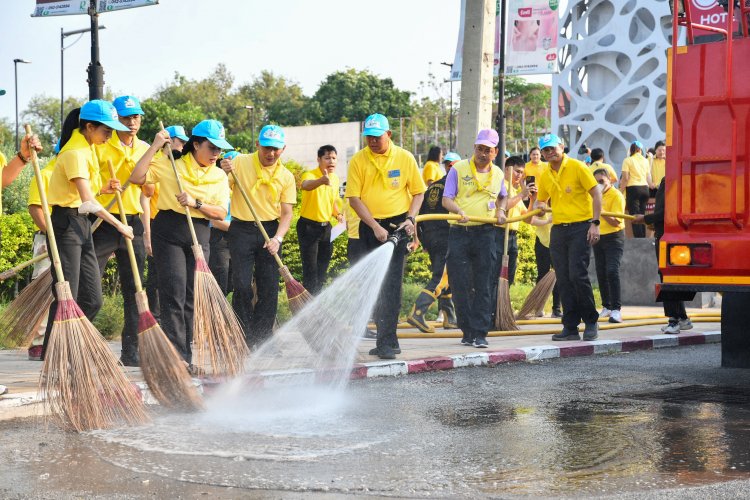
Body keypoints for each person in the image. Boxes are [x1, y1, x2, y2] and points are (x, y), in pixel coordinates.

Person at [130, 119, 231, 368]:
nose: (216, 154)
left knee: (190, 297)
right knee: (173, 293)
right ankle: (176, 357)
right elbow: (136, 177)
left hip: (199, 234)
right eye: (212, 148)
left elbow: (220, 213)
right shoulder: (170, 164)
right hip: (169, 231)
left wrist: (196, 203)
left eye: (219, 149)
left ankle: (187, 356)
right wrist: (154, 147)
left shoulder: (219, 175)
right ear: (196, 145)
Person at [40, 101, 135, 360]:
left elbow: (88, 196)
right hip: (65, 225)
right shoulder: (74, 152)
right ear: (89, 126)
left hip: (80, 225)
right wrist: (118, 225)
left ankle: (68, 345)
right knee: (66, 294)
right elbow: (87, 202)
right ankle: (54, 355)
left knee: (92, 299)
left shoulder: (89, 148)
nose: (109, 136)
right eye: (106, 131)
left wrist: (103, 189)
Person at [345, 113, 426, 359]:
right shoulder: (359, 160)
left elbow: (418, 192)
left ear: (388, 135)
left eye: (377, 137)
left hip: (397, 227)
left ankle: (388, 342)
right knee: (372, 285)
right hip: (369, 228)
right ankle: (383, 338)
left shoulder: (404, 157)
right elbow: (354, 198)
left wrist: (411, 219)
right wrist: (374, 227)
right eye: (368, 136)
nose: (372, 141)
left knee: (390, 285)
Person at [222, 125, 296, 349]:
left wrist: (278, 238)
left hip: (270, 233)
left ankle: (262, 338)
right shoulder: (240, 163)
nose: (270, 153)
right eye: (266, 148)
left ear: (282, 149)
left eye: (275, 149)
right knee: (242, 284)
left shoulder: (286, 176)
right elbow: (220, 187)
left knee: (269, 287)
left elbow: (286, 213)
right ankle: (243, 336)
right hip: (241, 229)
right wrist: (223, 170)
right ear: (258, 145)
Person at [93, 95, 151, 366]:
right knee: (89, 286)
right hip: (103, 220)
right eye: (126, 117)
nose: (131, 122)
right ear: (115, 119)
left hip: (132, 222)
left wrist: (146, 229)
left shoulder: (146, 149)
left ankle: (131, 352)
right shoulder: (102, 145)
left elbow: (148, 191)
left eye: (135, 117)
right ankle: (82, 347)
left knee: (135, 288)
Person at [534, 133, 602, 342]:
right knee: (563, 278)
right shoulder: (544, 174)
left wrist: (595, 223)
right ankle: (570, 326)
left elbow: (596, 193)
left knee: (577, 275)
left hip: (581, 227)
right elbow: (542, 201)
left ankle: (591, 321)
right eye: (545, 150)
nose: (549, 152)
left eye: (552, 148)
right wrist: (538, 206)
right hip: (559, 230)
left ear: (562, 147)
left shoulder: (578, 167)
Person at [443, 129, 507, 348]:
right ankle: (466, 330)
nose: (482, 153)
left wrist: (501, 211)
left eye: (487, 150)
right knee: (459, 284)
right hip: (460, 233)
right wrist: (458, 211)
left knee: (484, 284)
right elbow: (446, 199)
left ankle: (480, 332)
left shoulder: (498, 173)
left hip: (486, 233)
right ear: (474, 148)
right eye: (479, 148)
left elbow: (502, 198)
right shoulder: (458, 169)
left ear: (495, 152)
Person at [406, 151, 461, 333]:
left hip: (429, 235)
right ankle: (418, 311)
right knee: (442, 276)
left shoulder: (432, 187)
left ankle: (449, 317)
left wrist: (419, 239)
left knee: (448, 274)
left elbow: (418, 214)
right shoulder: (454, 185)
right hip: (446, 234)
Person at [632, 178, 693, 334]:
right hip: (670, 234)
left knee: (667, 276)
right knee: (671, 276)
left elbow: (665, 212)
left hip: (666, 236)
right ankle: (682, 318)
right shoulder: (672, 180)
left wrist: (645, 219)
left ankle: (673, 320)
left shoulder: (670, 180)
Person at [143, 124, 189, 322]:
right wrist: (147, 233)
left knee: (178, 278)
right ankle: (156, 317)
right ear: (168, 141)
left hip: (177, 225)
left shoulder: (180, 164)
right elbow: (144, 197)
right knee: (156, 275)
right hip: (156, 222)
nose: (183, 146)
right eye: (181, 141)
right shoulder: (156, 163)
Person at [25, 140, 57, 360]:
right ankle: (38, 342)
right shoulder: (45, 174)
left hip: (69, 239)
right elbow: (35, 209)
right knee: (44, 292)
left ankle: (55, 340)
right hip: (48, 239)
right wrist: (52, 234)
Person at [298, 145, 343, 295]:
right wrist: (321, 181)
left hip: (326, 229)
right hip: (308, 227)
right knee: (310, 270)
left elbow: (332, 202)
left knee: (322, 270)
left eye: (334, 158)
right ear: (319, 159)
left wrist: (338, 215)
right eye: (327, 158)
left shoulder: (336, 178)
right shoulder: (310, 175)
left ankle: (317, 301)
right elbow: (305, 185)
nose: (331, 161)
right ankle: (307, 306)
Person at [592, 168, 626, 323]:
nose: (599, 185)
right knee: (601, 272)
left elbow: (616, 221)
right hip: (599, 236)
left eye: (602, 181)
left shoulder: (616, 195)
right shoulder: (593, 196)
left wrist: (600, 208)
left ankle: (616, 309)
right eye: (596, 182)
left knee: (612, 270)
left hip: (614, 237)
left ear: (609, 180)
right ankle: (606, 306)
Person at [208, 150, 237, 295]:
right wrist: (241, 228)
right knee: (221, 278)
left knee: (234, 281)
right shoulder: (217, 187)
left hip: (237, 238)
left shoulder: (241, 187)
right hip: (219, 238)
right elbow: (215, 221)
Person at [620, 140, 653, 238]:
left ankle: (638, 240)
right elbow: (648, 177)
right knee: (642, 215)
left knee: (634, 216)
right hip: (645, 189)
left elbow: (625, 178)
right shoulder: (645, 161)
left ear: (631, 149)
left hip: (633, 189)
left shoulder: (627, 160)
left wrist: (620, 191)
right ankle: (642, 238)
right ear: (641, 150)